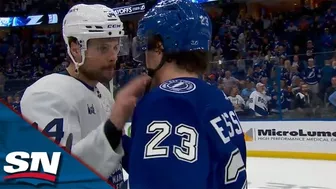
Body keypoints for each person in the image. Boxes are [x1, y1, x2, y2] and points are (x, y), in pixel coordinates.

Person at [20, 4, 150, 189]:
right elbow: (62, 175)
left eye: (115, 47)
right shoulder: (45, 95)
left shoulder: (103, 91)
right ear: (76, 49)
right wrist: (114, 124)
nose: (114, 56)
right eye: (103, 48)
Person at [125, 0, 247, 188]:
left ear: (159, 46)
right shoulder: (215, 96)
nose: (143, 55)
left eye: (146, 45)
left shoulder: (167, 102)